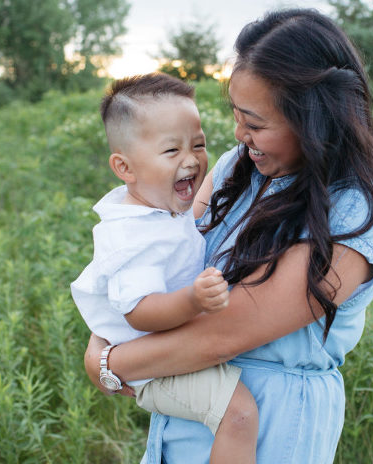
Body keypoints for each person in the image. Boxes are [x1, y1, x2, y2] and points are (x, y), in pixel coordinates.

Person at [84, 8, 373, 463]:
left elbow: (225, 335)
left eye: (255, 123)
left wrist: (108, 362)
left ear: (313, 120)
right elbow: (167, 252)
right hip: (193, 417)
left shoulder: (352, 211)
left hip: (271, 431)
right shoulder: (238, 166)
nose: (239, 135)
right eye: (236, 117)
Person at [71, 73, 258, 464]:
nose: (191, 159)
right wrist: (191, 300)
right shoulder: (134, 235)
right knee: (238, 414)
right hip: (153, 369)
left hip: (165, 354)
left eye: (199, 144)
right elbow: (140, 312)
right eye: (171, 150)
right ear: (125, 167)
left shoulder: (161, 210)